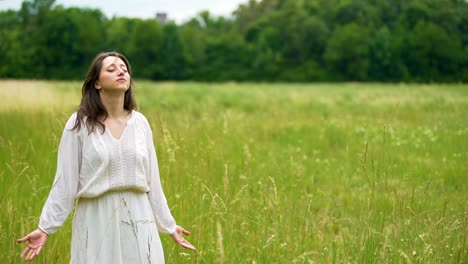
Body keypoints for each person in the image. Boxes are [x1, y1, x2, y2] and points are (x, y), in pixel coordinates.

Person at [17, 51, 195, 263]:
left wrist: (168, 225)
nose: (121, 71)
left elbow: (153, 182)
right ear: (97, 83)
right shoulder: (79, 124)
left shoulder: (140, 123)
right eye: (111, 69)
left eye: (124, 69)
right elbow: (65, 181)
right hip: (96, 218)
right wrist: (45, 228)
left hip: (139, 216)